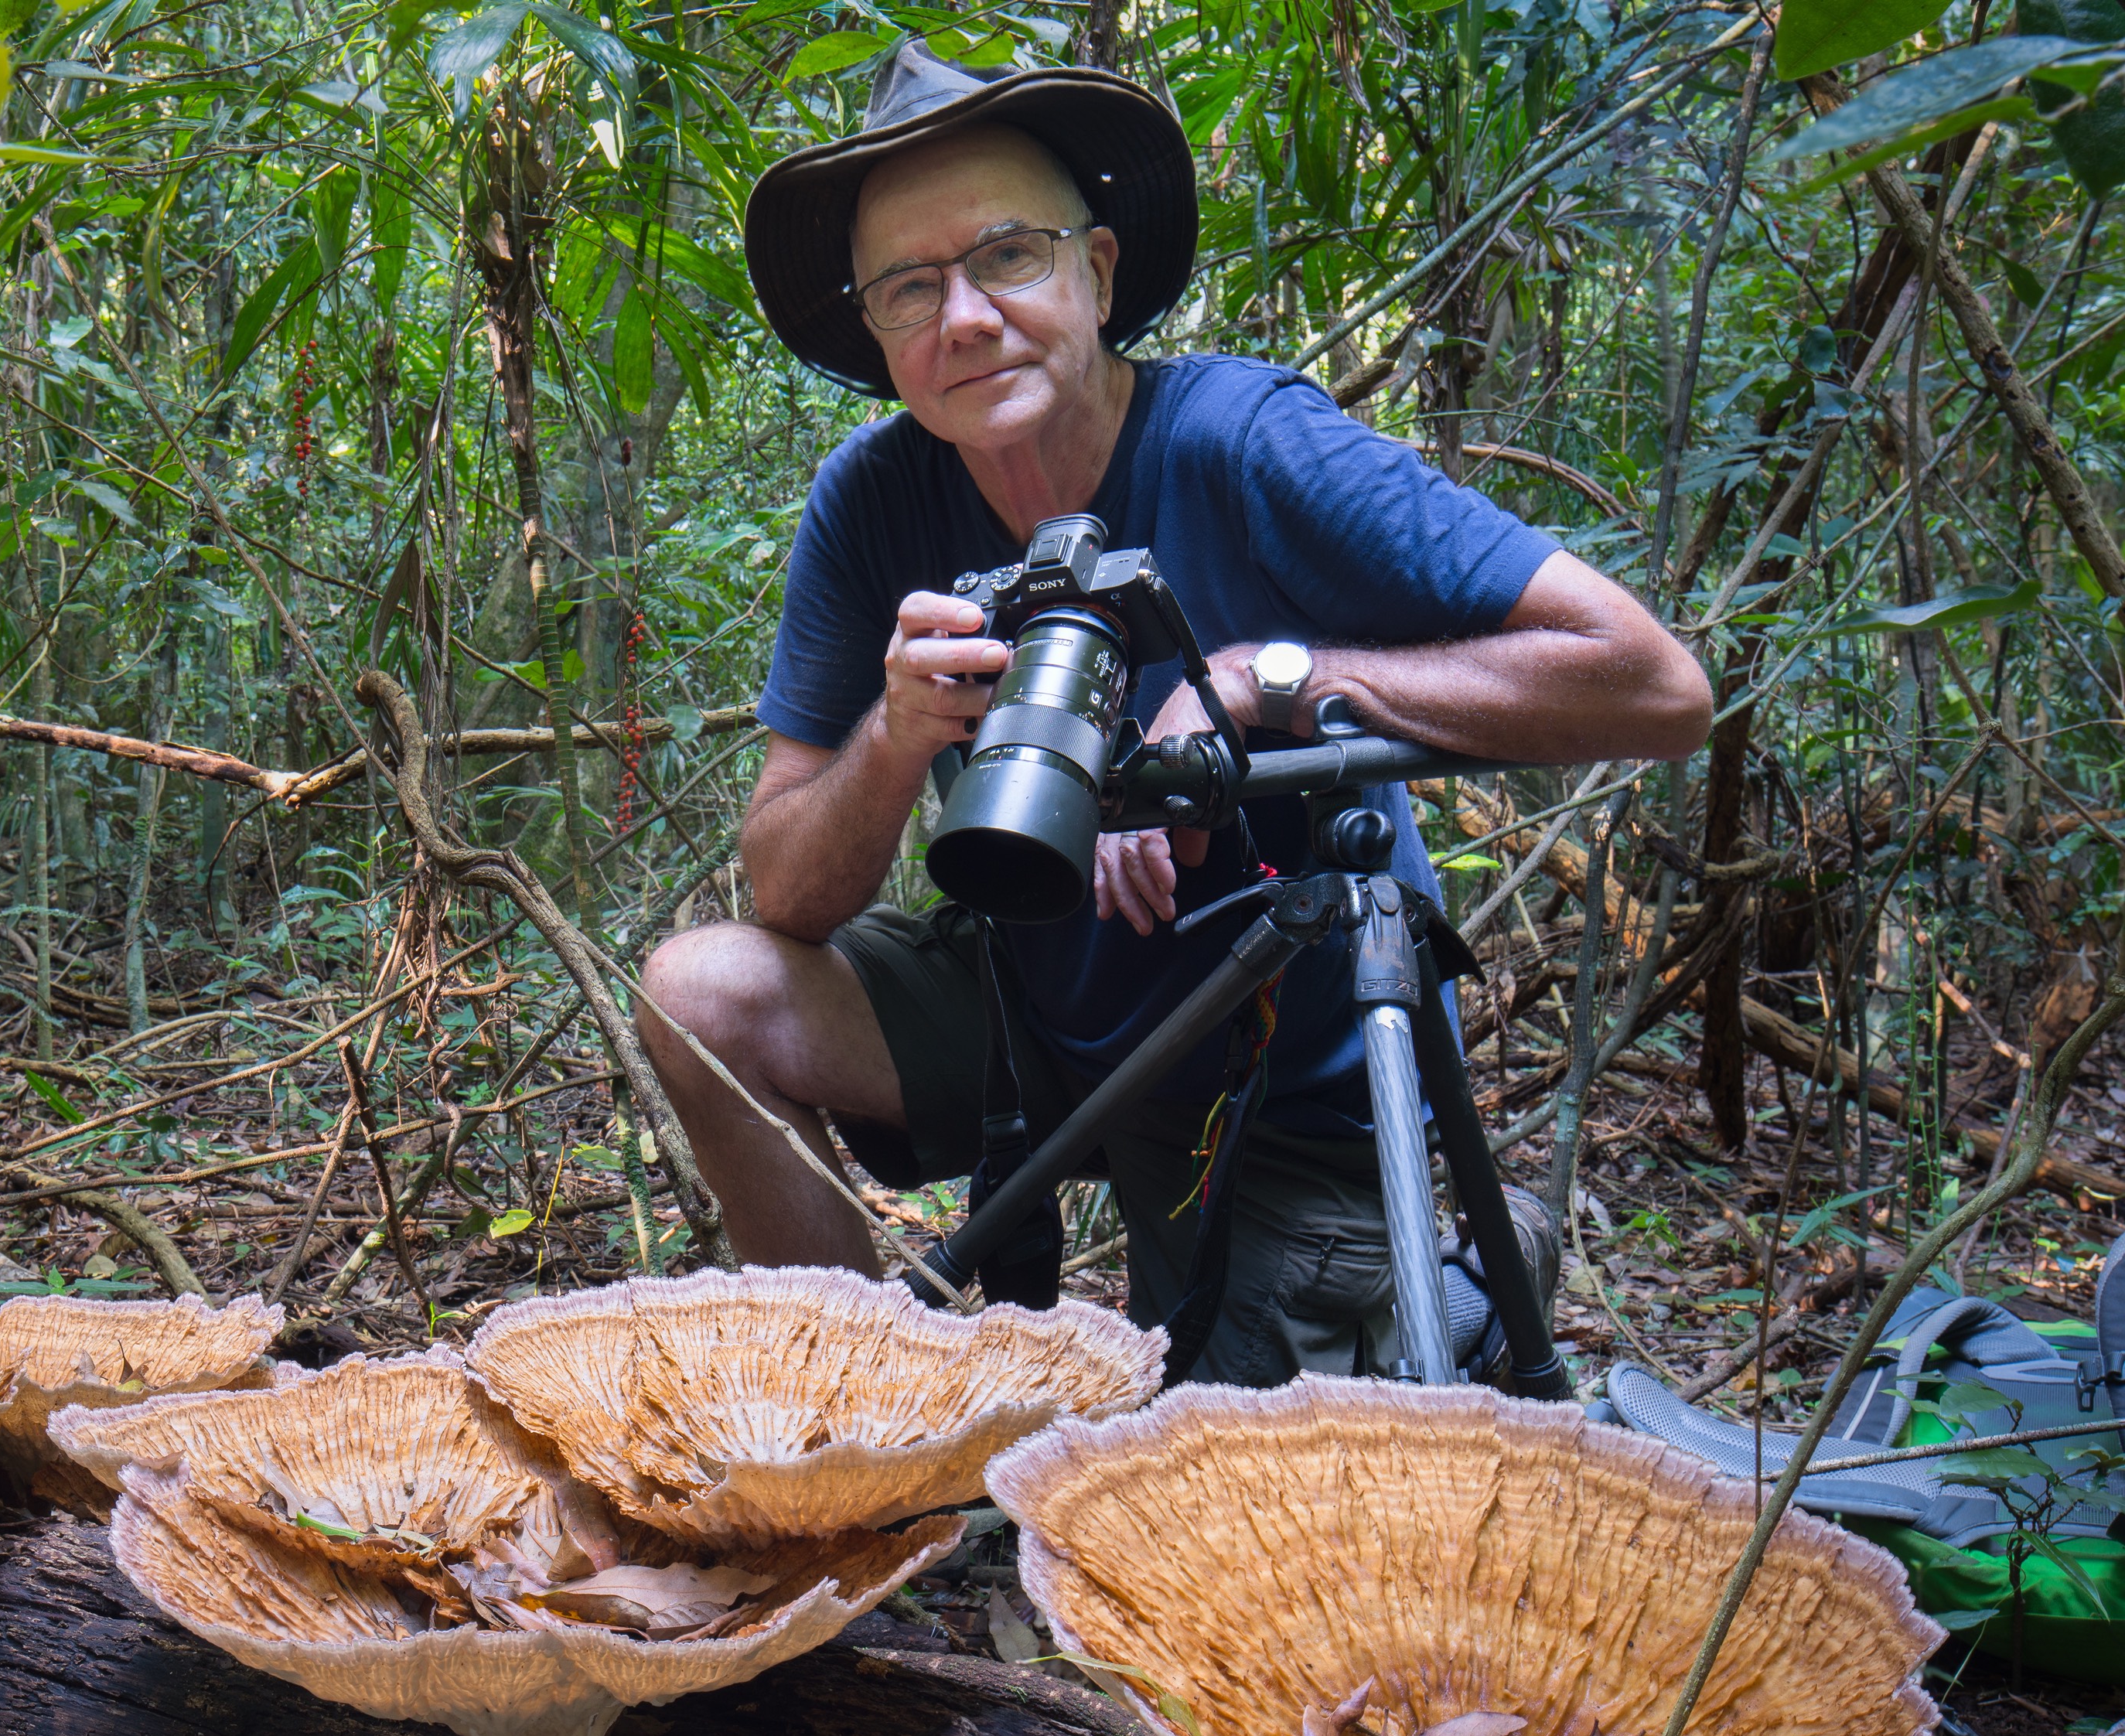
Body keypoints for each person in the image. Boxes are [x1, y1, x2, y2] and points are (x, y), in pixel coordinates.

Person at [638, 39, 1711, 1384]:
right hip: (1034, 1010)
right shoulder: (873, 501)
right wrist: (898, 733)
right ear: (876, 334)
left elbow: (1653, 682)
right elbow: (784, 891)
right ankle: (852, 1413)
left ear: (1096, 270)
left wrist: (1266, 690)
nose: (965, 316)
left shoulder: (1243, 441)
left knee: (1214, 1499)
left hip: (1270, 1062)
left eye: (1008, 256)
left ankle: (1433, 1285)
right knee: (703, 989)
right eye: (911, 287)